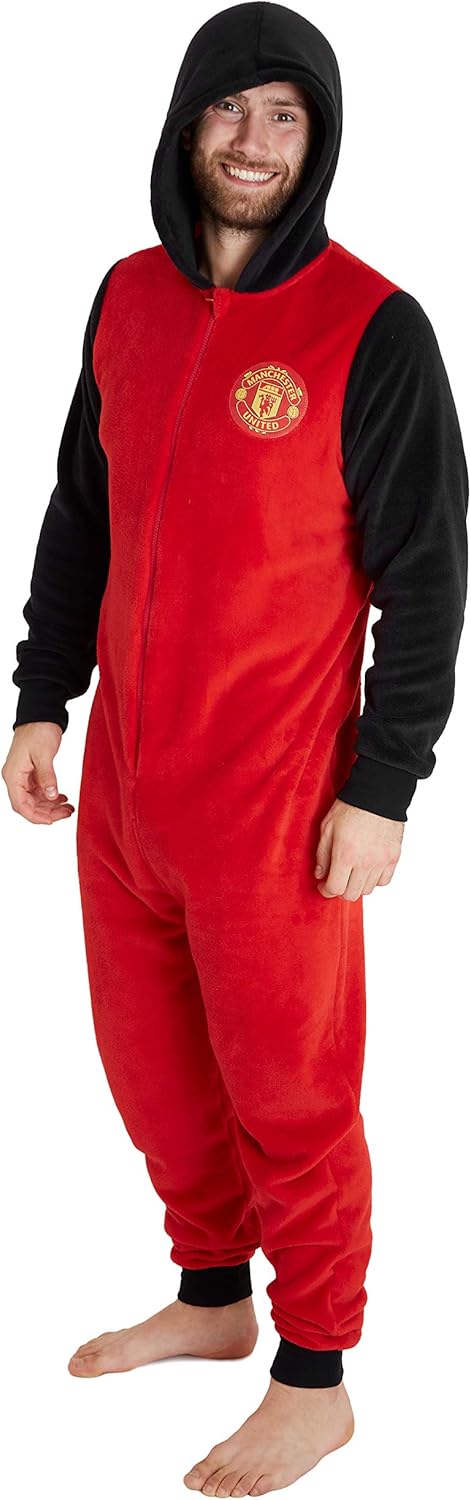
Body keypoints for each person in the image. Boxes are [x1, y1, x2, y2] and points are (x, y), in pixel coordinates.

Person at [3, 2, 468, 1493]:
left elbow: (429, 578)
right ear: (185, 122)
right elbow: (83, 510)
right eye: (231, 109)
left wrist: (383, 787)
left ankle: (316, 1375)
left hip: (277, 801)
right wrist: (41, 697)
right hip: (127, 791)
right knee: (151, 1072)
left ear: (318, 141)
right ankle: (213, 1298)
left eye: (287, 115)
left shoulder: (373, 327)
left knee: (290, 1094)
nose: (256, 143)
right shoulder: (127, 297)